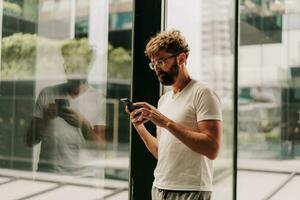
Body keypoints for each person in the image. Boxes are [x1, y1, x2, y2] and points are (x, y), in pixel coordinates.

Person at [126, 30, 222, 200]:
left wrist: (164, 122)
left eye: (161, 61)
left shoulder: (203, 93)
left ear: (182, 58)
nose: (156, 69)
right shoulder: (164, 100)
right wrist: (139, 126)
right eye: (153, 64)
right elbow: (160, 152)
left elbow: (212, 148)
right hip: (159, 188)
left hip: (190, 191)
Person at [26, 38, 106, 176]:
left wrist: (83, 124)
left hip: (82, 176)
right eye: (69, 64)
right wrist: (45, 119)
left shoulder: (98, 99)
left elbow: (101, 150)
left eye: (77, 65)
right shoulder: (47, 93)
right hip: (47, 175)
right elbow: (30, 140)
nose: (72, 70)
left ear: (87, 66)